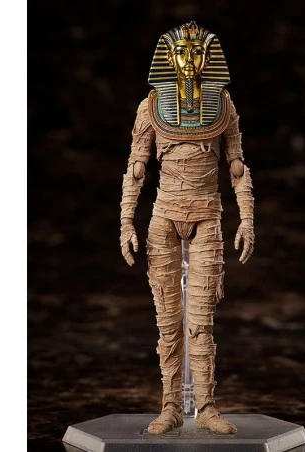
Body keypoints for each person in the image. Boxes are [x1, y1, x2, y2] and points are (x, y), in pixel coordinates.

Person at [120, 21, 255, 435]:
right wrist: (126, 221)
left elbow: (236, 166)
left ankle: (207, 406)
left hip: (207, 216)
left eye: (198, 52)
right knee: (167, 320)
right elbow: (137, 167)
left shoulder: (223, 106)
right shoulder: (151, 107)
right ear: (170, 58)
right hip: (164, 216)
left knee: (201, 318)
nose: (190, 59)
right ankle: (171, 405)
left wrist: (247, 218)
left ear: (208, 58)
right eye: (182, 52)